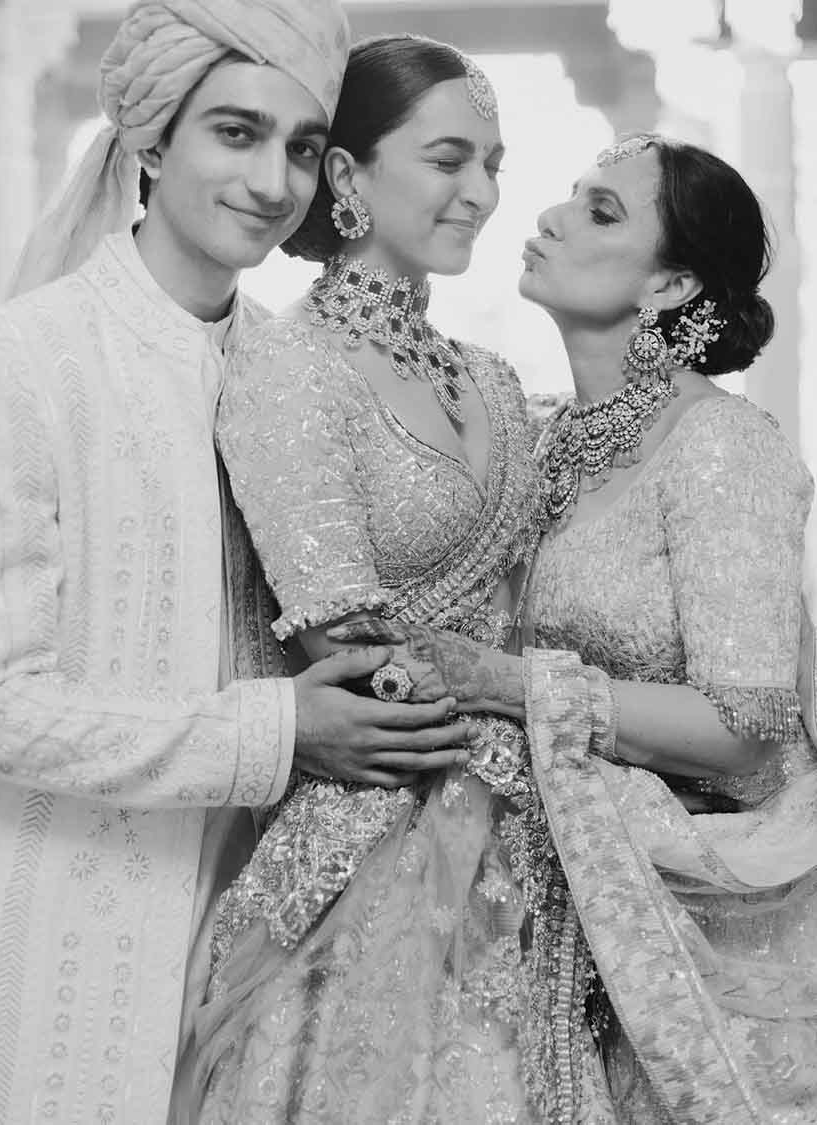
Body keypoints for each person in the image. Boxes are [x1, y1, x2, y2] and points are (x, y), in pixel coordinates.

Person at [0, 5, 478, 1122]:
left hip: (248, 957)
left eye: (304, 146)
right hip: (48, 950)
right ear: (152, 141)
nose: (274, 180)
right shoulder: (14, 368)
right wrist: (278, 732)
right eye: (235, 133)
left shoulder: (296, 372)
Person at [336, 133, 817, 1122]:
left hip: (694, 927)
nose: (551, 217)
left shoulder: (722, 449)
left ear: (670, 285)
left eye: (601, 211)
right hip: (537, 904)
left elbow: (747, 720)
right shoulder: (544, 438)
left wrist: (507, 685)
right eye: (568, 196)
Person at [186, 35, 621, 1124]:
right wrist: (511, 718)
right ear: (347, 175)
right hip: (374, 839)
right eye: (448, 159)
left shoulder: (491, 374)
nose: (481, 192)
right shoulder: (291, 366)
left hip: (539, 831)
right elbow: (342, 644)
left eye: (494, 164)